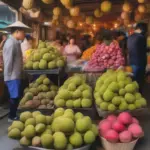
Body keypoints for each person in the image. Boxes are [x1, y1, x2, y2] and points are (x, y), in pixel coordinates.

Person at [3, 21, 31, 122]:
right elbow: (8, 61)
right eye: (23, 32)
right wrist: (7, 77)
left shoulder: (15, 42)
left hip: (16, 74)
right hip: (12, 75)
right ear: (17, 31)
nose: (24, 34)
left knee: (16, 96)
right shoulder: (10, 43)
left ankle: (13, 114)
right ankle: (11, 116)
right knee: (14, 97)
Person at [127, 22, 148, 93]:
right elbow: (144, 49)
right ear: (142, 29)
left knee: (133, 80)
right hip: (140, 62)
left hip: (132, 62)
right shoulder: (141, 37)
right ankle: (139, 95)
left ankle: (133, 94)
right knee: (140, 81)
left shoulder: (129, 37)